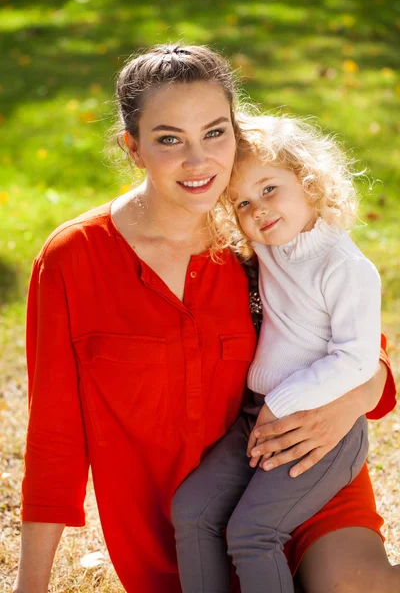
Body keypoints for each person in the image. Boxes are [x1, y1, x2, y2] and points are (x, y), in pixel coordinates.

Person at [13, 44, 397, 593]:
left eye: (215, 133)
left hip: (297, 472)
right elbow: (55, 433)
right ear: (134, 147)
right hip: (181, 524)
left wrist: (350, 401)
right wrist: (31, 586)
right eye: (170, 139)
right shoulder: (76, 259)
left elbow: (366, 360)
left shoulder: (257, 236)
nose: (199, 162)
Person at [171, 114, 385, 593]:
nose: (259, 210)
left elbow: (357, 358)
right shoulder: (268, 248)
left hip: (317, 424)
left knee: (253, 533)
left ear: (309, 183)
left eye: (270, 189)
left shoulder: (346, 267)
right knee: (192, 510)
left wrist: (282, 403)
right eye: (243, 203)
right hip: (258, 416)